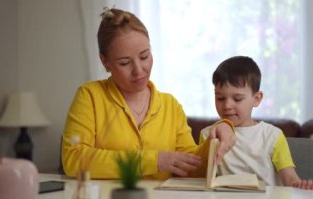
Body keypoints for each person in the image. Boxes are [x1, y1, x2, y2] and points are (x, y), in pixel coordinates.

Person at [61, 8, 235, 180]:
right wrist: (155, 161)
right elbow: (73, 159)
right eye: (124, 63)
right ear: (105, 61)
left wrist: (219, 133)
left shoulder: (171, 106)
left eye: (144, 56)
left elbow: (192, 167)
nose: (138, 70)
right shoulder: (90, 96)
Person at [200, 56, 313, 189]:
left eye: (237, 98)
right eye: (220, 98)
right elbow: (202, 179)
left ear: (256, 99)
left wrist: (303, 187)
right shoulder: (208, 134)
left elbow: (290, 178)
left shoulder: (272, 135)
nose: (227, 105)